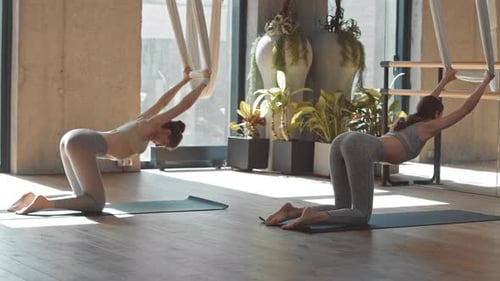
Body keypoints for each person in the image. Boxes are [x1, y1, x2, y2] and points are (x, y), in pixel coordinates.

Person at [264, 68, 495, 230]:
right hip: (358, 146)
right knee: (361, 215)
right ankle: (313, 216)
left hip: (342, 140)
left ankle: (293, 210)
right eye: (439, 114)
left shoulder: (412, 122)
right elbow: (465, 109)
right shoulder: (427, 127)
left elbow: (429, 101)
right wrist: (485, 81)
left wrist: (445, 80)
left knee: (343, 206)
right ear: (436, 116)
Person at [8, 66, 209, 215]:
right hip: (81, 143)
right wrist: (204, 83)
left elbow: (162, 101)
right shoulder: (150, 125)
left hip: (73, 139)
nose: (159, 146)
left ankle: (34, 199)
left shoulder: (142, 122)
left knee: (83, 199)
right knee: (96, 204)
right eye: (164, 143)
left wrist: (184, 81)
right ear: (167, 131)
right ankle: (44, 203)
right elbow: (183, 105)